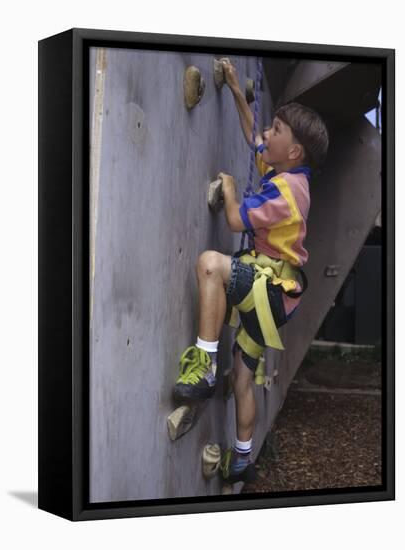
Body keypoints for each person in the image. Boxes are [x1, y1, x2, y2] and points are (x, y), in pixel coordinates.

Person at [173, 58, 329, 484]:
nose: (267, 134)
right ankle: (242, 458)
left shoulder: (286, 192)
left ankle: (203, 365)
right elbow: (251, 138)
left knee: (210, 265)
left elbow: (237, 221)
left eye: (277, 131)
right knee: (243, 379)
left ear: (294, 150)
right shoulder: (288, 172)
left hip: (271, 288)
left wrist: (227, 187)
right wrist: (239, 95)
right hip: (279, 294)